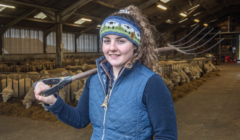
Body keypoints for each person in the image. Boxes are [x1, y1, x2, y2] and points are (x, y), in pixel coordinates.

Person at [34, 5, 177, 140]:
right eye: (107, 41)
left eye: (121, 41)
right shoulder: (94, 80)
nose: (112, 48)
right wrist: (52, 101)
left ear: (135, 45)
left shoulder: (150, 82)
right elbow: (80, 119)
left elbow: (166, 136)